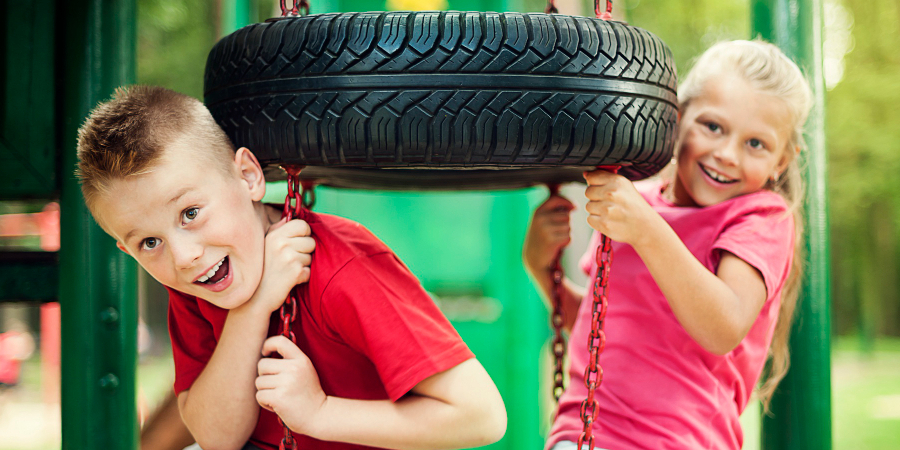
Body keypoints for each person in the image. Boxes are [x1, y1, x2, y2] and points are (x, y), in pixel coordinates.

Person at [76, 85, 507, 450]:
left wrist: (319, 413)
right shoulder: (195, 283)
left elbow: (480, 414)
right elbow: (216, 436)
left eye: (190, 213)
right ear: (126, 250)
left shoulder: (341, 269)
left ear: (247, 176)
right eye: (149, 242)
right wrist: (253, 309)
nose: (183, 255)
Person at [523, 40, 813, 450]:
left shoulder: (760, 219)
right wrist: (541, 268)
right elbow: (603, 323)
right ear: (675, 120)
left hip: (676, 440)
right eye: (712, 126)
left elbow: (724, 326)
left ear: (780, 161)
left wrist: (647, 230)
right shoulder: (631, 205)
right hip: (583, 433)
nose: (727, 154)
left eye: (755, 144)